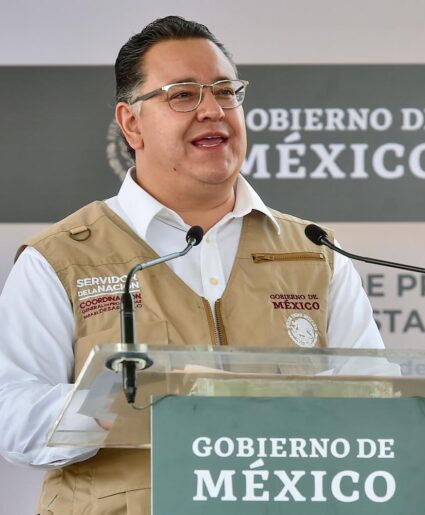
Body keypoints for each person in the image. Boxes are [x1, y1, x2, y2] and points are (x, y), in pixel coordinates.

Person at [0, 16, 383, 514]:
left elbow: (376, 406)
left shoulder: (315, 252)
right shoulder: (60, 259)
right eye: (182, 95)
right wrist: (126, 398)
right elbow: (12, 419)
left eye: (225, 92)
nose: (212, 110)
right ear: (131, 124)